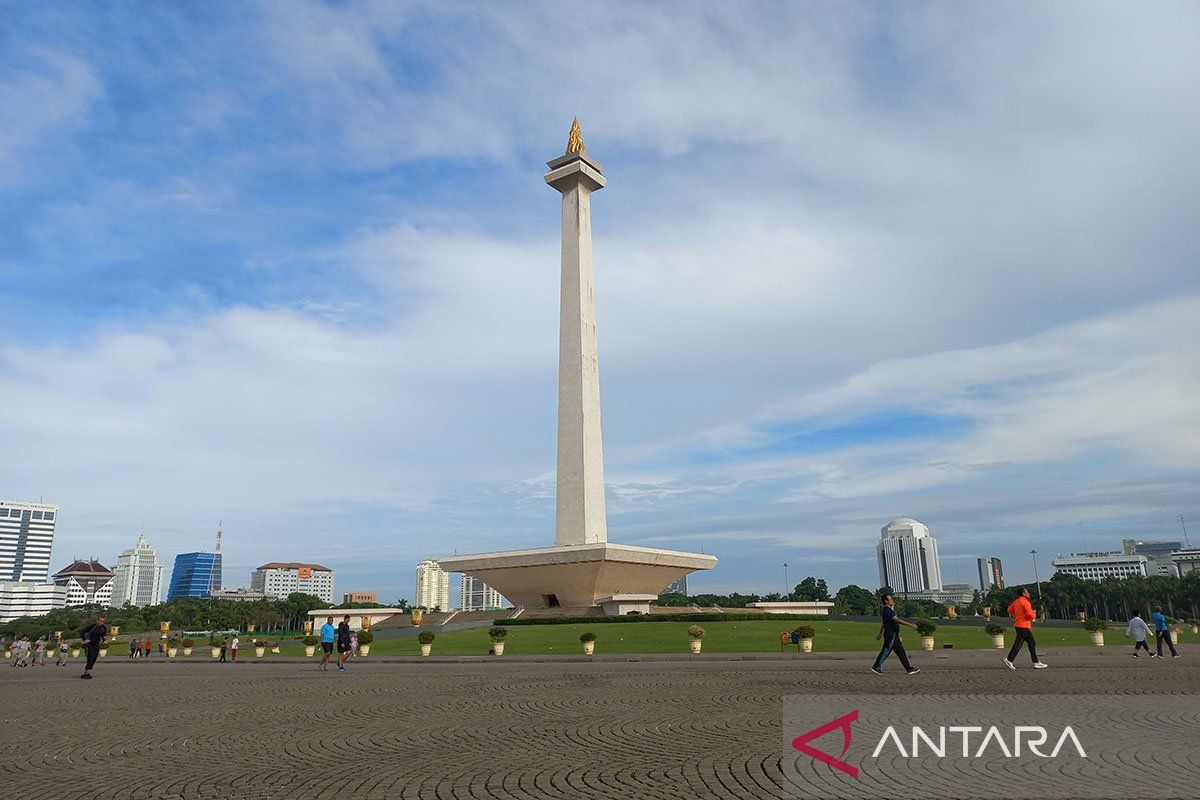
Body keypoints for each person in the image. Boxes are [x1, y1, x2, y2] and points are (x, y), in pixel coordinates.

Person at [870, 594, 920, 675]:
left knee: (901, 652)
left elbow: (885, 623)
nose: (892, 600)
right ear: (886, 601)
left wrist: (896, 634)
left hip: (894, 634)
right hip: (890, 634)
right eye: (890, 599)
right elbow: (896, 619)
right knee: (886, 650)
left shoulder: (889, 610)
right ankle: (876, 667)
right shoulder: (887, 610)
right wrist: (911, 625)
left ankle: (909, 668)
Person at [1003, 587, 1047, 669]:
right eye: (1027, 592)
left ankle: (1035, 661)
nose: (1029, 593)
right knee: (1023, 643)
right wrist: (1034, 614)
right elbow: (1030, 615)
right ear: (1023, 593)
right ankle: (1010, 659)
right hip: (1023, 625)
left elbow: (1009, 610)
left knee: (1029, 643)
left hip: (1018, 624)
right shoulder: (1025, 602)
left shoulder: (1016, 601)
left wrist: (1018, 614)